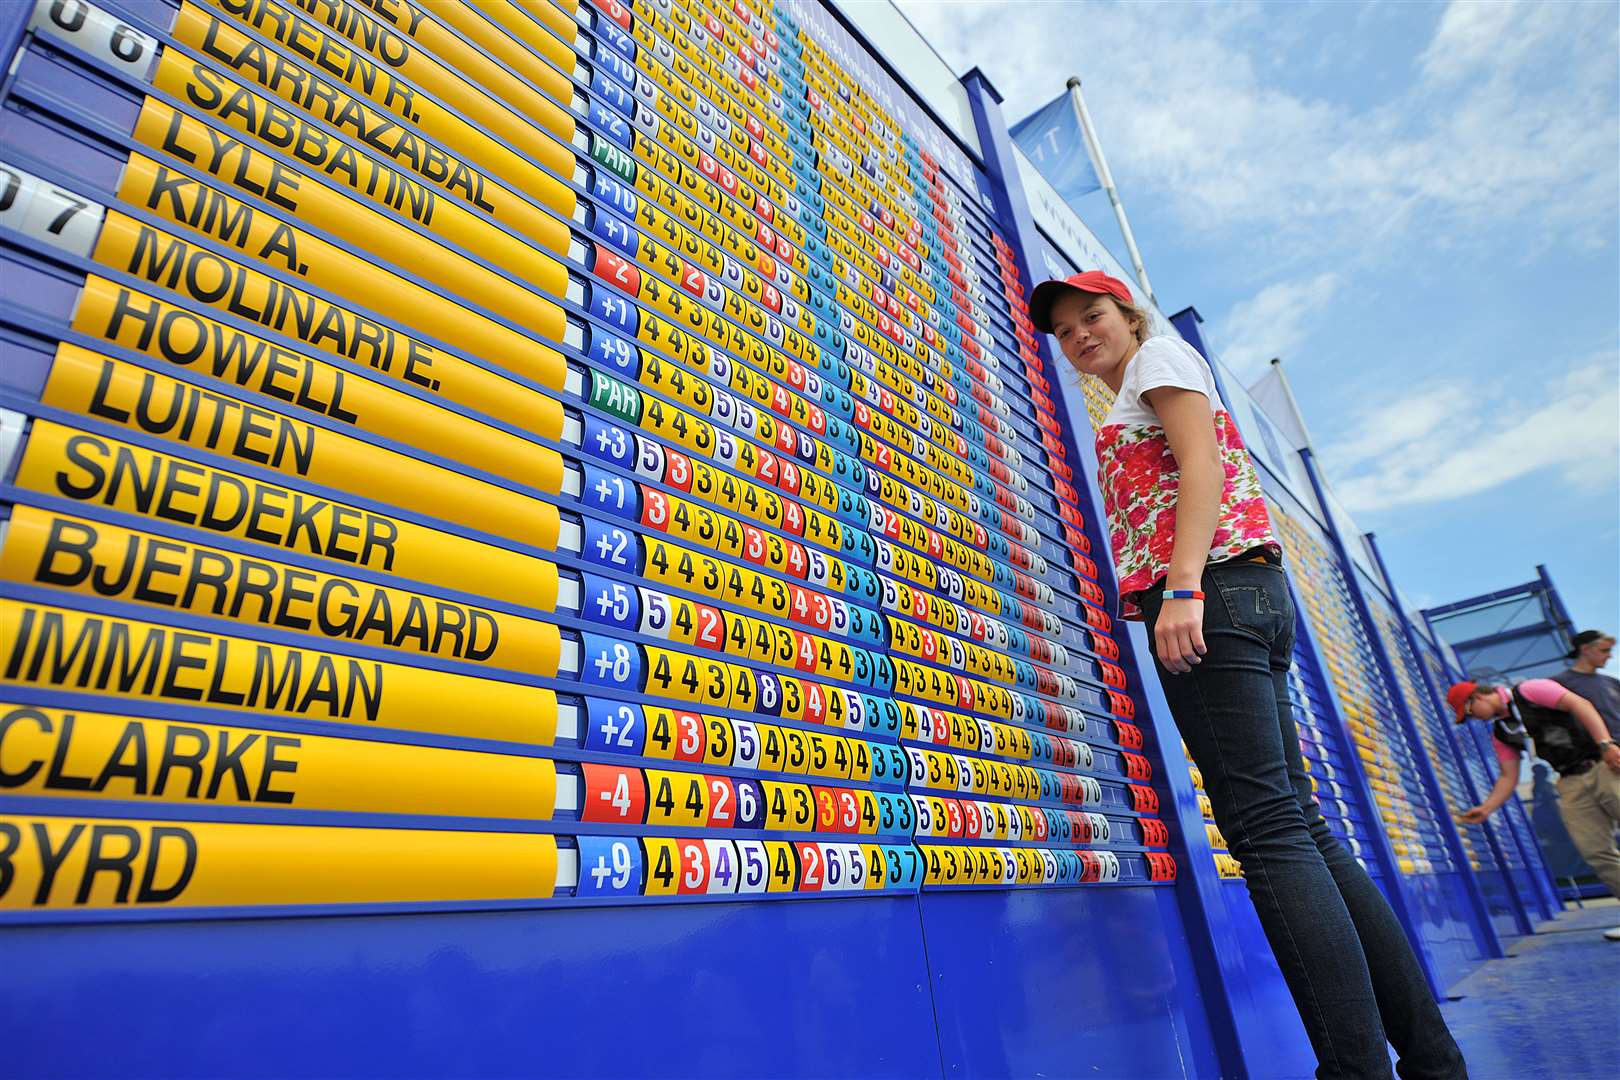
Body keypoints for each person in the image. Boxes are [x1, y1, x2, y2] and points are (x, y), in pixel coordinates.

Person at [1031, 270, 1466, 1080]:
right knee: (1300, 828)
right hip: (1247, 595)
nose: (1080, 335)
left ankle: (1355, 1068)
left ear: (1128, 315)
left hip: (1214, 595)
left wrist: (1185, 586)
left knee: (1268, 835)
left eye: (1092, 316)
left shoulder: (1160, 362)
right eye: (1064, 331)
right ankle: (1433, 1061)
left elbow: (1203, 468)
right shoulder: (1139, 383)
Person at [1447, 676, 1620, 940]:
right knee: (1594, 849)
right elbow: (1508, 776)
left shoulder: (1530, 690)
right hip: (1569, 779)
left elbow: (1580, 705)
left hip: (1601, 763)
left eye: (1470, 713)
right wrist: (1487, 808)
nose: (1474, 720)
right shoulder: (1502, 733)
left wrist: (1606, 744)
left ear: (1478, 697)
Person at [1553, 630, 1620, 740]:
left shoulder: (1613, 682)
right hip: (1597, 752)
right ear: (1585, 649)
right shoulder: (1558, 683)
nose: (1610, 656)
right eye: (1604, 651)